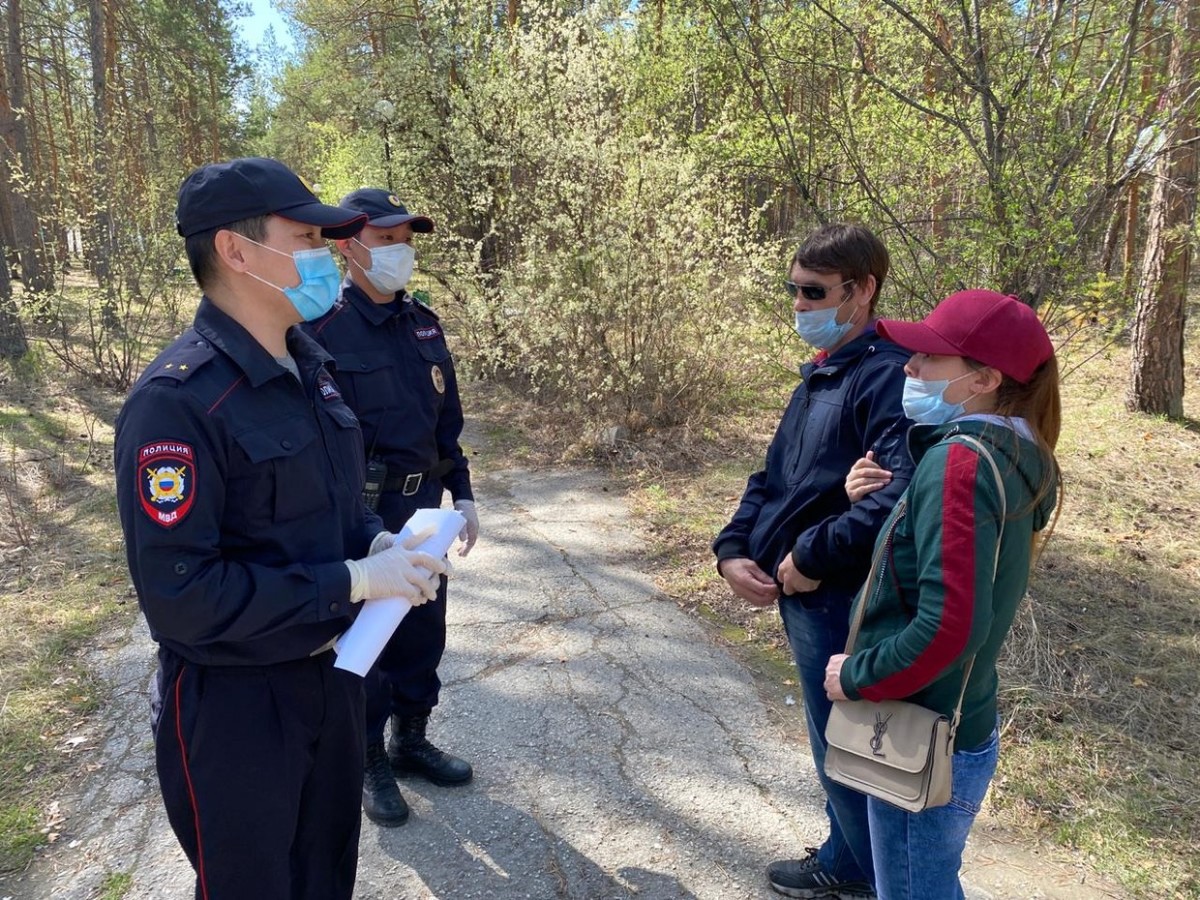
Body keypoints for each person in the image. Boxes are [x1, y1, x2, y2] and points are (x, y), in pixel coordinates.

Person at [114, 157, 448, 900]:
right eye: (307, 239)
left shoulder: (310, 366)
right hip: (238, 706)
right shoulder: (178, 403)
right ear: (236, 252)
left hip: (330, 681)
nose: (327, 257)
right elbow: (183, 597)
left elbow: (332, 503)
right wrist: (353, 582)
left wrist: (374, 541)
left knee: (324, 878)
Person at [826, 289, 1061, 900]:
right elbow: (951, 569)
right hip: (963, 720)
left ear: (982, 379)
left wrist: (857, 675)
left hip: (918, 730)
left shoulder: (960, 461)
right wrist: (886, 510)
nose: (908, 367)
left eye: (930, 358)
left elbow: (951, 624)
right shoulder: (1019, 452)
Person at [712, 224, 914, 899]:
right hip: (801, 593)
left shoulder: (888, 378)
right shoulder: (823, 372)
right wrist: (732, 550)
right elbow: (773, 478)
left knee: (844, 750)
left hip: (840, 599)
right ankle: (846, 855)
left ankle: (858, 874)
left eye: (814, 292)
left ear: (862, 291)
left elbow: (896, 499)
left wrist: (810, 557)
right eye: (793, 290)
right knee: (833, 746)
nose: (798, 303)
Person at [305, 188, 477, 827]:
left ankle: (411, 740)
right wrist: (353, 528)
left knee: (422, 631)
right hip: (362, 518)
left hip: (424, 511)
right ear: (348, 246)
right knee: (367, 641)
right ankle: (368, 759)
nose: (400, 251)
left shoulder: (423, 323)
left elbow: (446, 424)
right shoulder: (319, 330)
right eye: (385, 240)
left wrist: (462, 494)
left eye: (406, 239)